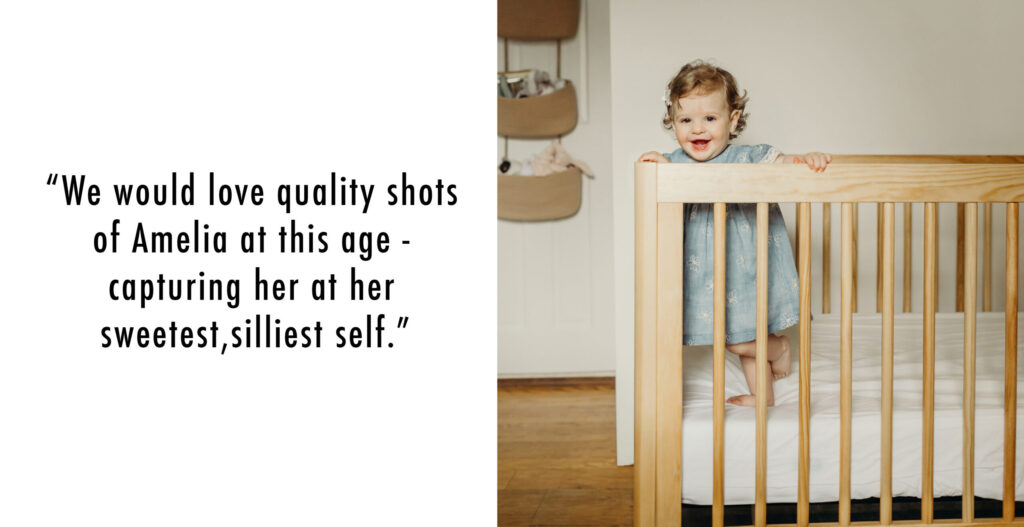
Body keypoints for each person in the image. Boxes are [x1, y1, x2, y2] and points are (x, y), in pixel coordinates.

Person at [638, 60, 831, 407]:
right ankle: (764, 396)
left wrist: (806, 159)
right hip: (707, 274)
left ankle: (779, 348)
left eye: (709, 119)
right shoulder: (676, 166)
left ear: (733, 120)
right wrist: (654, 164)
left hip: (748, 268)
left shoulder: (747, 158)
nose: (697, 129)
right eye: (686, 120)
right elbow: (656, 175)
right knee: (735, 335)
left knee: (741, 339)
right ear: (673, 123)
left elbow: (786, 163)